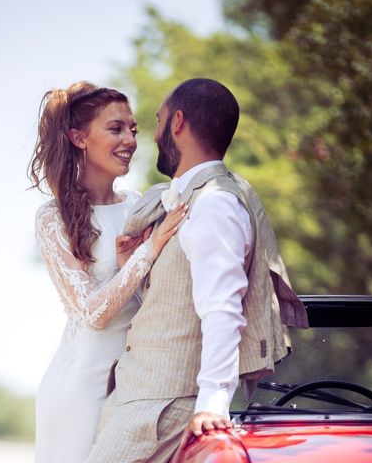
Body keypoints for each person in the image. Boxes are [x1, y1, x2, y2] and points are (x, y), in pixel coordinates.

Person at [85, 78, 309, 463]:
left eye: (156, 121)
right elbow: (177, 306)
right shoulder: (190, 201)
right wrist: (133, 271)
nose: (152, 136)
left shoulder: (214, 204)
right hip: (140, 404)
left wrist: (212, 404)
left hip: (162, 412)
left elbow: (222, 308)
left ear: (177, 123)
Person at [28, 81, 187, 463]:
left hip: (136, 386)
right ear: (78, 138)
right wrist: (148, 250)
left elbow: (155, 296)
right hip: (79, 389)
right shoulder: (53, 218)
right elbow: (94, 314)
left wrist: (136, 263)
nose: (130, 139)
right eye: (115, 128)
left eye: (133, 129)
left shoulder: (140, 205)